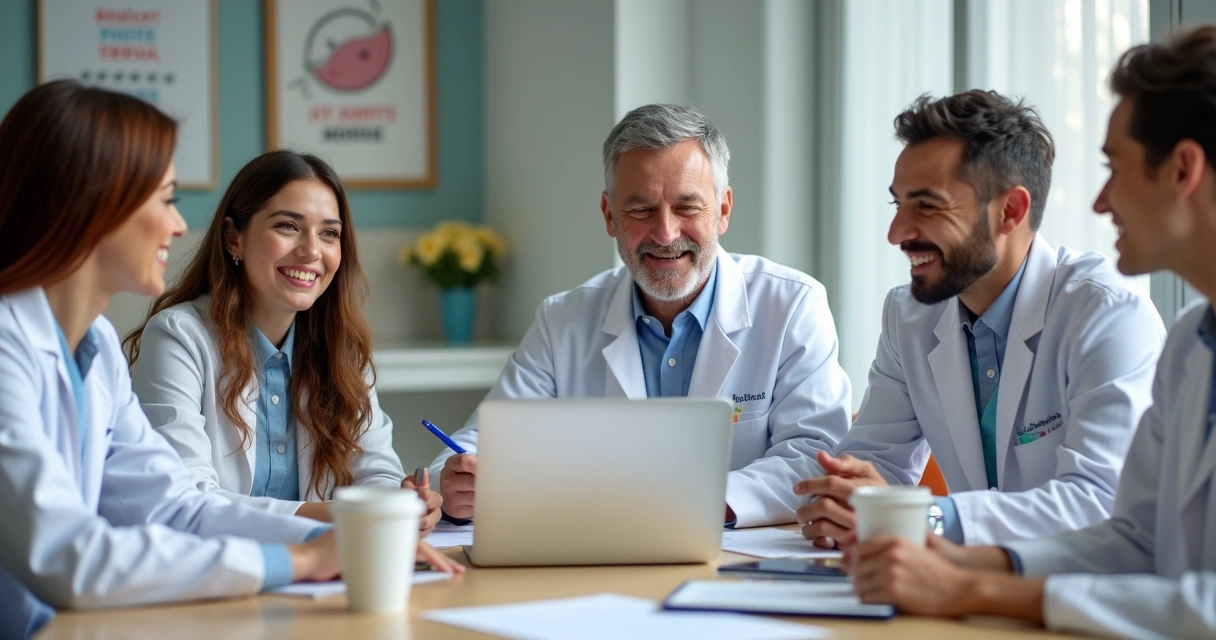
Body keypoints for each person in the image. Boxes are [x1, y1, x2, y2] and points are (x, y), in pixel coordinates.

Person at [0, 79, 457, 640]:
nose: (175, 223)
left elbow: (177, 509)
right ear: (85, 203)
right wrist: (303, 559)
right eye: (164, 198)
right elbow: (69, 557)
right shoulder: (10, 346)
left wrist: (352, 537)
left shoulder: (91, 345)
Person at [850, 26, 1216, 639]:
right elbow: (1135, 538)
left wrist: (968, 575)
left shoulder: (1109, 311)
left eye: (1114, 168)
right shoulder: (1190, 345)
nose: (1100, 202)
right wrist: (954, 558)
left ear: (1182, 169)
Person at [429, 104, 852, 528]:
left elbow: (814, 456)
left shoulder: (793, 305)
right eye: (641, 210)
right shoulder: (563, 321)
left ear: (723, 210)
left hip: (740, 564)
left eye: (687, 207)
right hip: (599, 561)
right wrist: (453, 483)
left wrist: (695, 505)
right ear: (610, 215)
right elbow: (480, 444)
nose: (666, 234)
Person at [795, 90, 1165, 547]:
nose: (896, 234)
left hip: (1075, 596)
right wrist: (841, 502)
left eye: (927, 206)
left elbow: (1098, 503)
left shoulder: (1107, 312)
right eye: (898, 205)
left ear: (1010, 211)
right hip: (961, 590)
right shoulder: (907, 314)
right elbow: (876, 463)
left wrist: (920, 517)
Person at [125, 150, 442, 537]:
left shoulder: (342, 350)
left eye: (329, 233)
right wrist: (344, 514)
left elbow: (375, 472)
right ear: (233, 239)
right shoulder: (178, 337)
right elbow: (186, 499)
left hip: (322, 576)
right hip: (215, 574)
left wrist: (402, 502)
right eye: (288, 226)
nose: (311, 251)